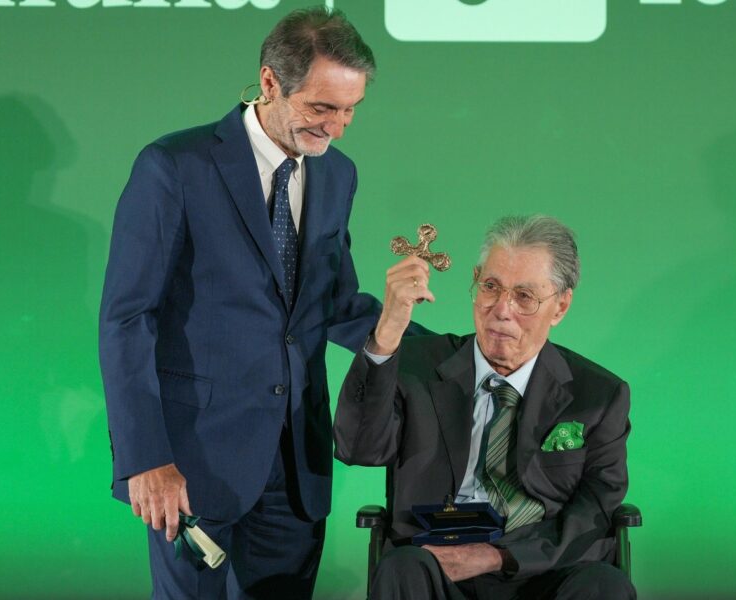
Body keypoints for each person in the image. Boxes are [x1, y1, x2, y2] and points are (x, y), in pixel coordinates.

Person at [99, 7, 422, 599]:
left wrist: (442, 345)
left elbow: (331, 303)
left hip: (296, 467)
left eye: (350, 110)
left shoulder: (337, 175)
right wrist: (145, 458)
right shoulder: (176, 166)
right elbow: (127, 319)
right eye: (322, 108)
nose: (337, 128)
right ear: (270, 81)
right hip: (191, 463)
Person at [334, 215, 636, 600]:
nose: (501, 309)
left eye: (524, 296)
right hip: (437, 561)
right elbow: (357, 448)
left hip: (541, 568)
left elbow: (594, 510)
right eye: (491, 286)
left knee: (604, 586)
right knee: (403, 568)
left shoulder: (598, 395)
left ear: (560, 306)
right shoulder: (415, 365)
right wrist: (387, 332)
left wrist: (496, 555)